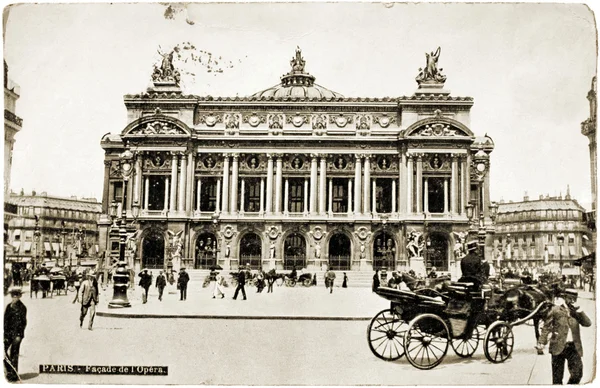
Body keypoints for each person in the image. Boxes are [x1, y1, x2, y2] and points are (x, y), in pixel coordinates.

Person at [536, 289, 591, 384]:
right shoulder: (556, 310)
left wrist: (579, 311)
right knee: (557, 379)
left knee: (577, 374)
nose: (572, 301)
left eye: (574, 299)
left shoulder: (577, 312)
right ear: (565, 298)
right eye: (570, 298)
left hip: (573, 347)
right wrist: (541, 342)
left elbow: (587, 323)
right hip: (557, 346)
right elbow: (546, 327)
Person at [4, 287, 27, 382]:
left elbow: (23, 323)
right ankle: (10, 371)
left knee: (14, 353)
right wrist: (4, 333)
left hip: (17, 334)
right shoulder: (9, 307)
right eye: (13, 296)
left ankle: (14, 374)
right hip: (8, 333)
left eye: (16, 296)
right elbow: (5, 321)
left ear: (19, 297)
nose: (14, 298)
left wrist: (19, 334)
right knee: (3, 352)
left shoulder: (22, 308)